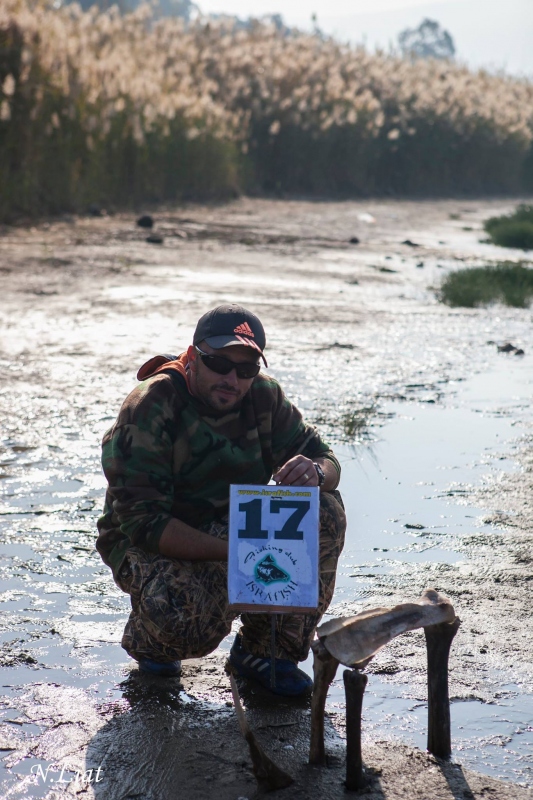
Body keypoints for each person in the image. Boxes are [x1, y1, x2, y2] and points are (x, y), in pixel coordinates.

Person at [96, 304, 346, 696]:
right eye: (219, 364)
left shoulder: (264, 396)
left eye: (245, 370)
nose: (232, 378)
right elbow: (145, 524)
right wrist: (241, 552)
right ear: (193, 358)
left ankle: (266, 652)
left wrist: (314, 472)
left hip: (232, 524)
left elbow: (327, 459)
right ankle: (154, 644)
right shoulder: (150, 406)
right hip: (149, 541)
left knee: (324, 509)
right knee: (181, 621)